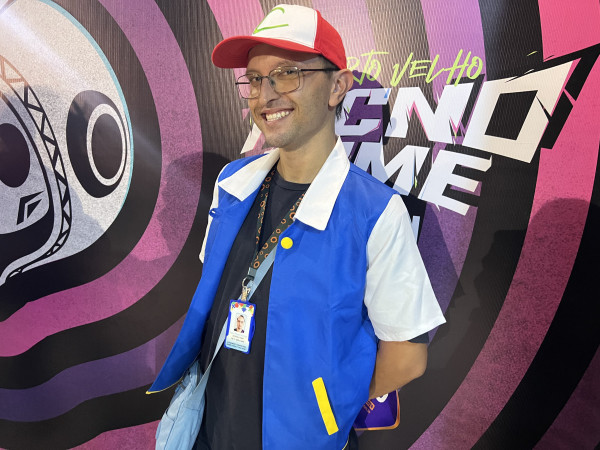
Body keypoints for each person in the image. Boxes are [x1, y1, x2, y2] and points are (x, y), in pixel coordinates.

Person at [149, 4, 445, 449]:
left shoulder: (374, 212)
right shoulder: (233, 183)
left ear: (337, 86)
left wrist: (324, 406)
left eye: (287, 74)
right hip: (208, 428)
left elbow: (406, 356)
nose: (265, 95)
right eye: (255, 79)